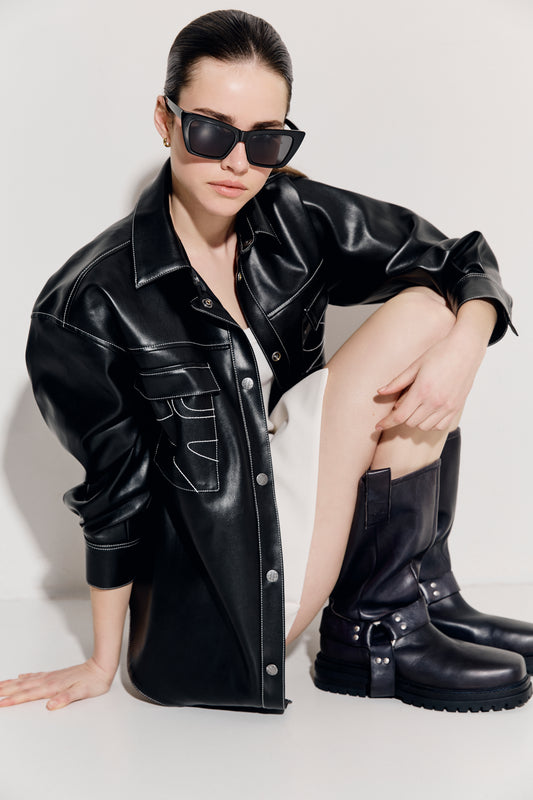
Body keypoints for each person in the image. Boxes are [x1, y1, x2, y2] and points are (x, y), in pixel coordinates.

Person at [1, 9, 532, 714]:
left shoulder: (290, 215)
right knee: (430, 314)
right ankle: (375, 626)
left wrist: (466, 349)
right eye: (211, 131)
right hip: (226, 600)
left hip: (298, 506)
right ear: (164, 120)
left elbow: (459, 258)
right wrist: (102, 663)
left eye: (266, 139)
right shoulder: (87, 305)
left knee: (440, 312)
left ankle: (419, 599)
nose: (237, 163)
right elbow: (114, 498)